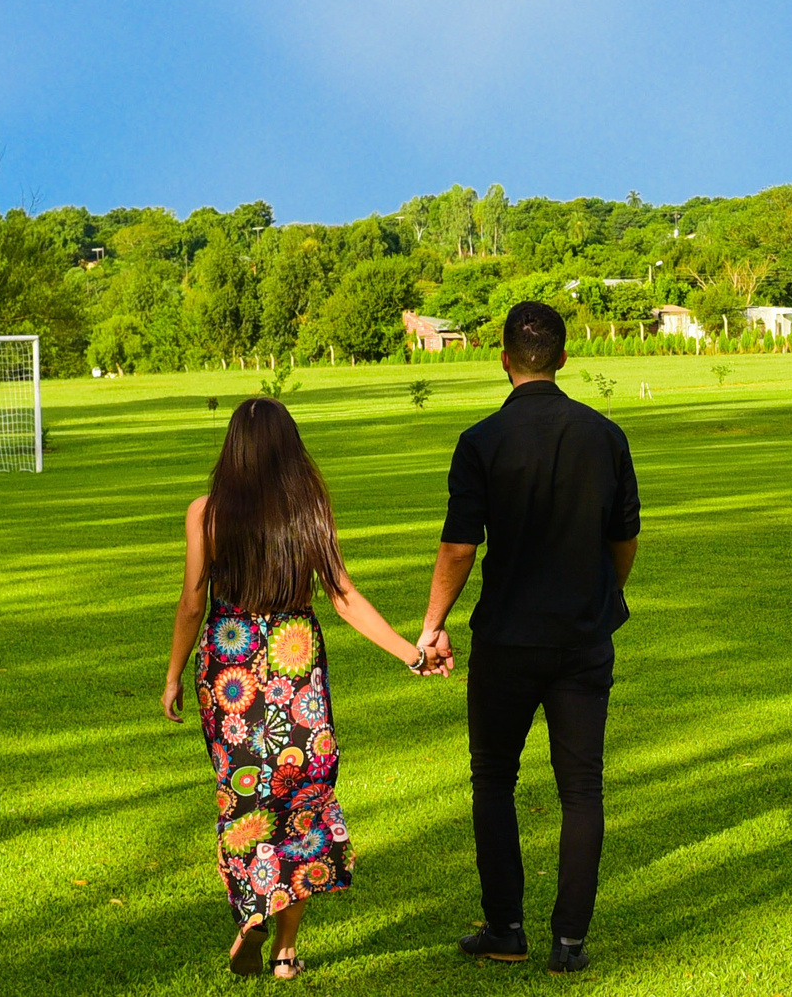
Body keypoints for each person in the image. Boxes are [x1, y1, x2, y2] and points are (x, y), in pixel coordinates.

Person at [163, 397, 439, 980]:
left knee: (245, 800)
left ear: (232, 450)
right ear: (291, 450)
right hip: (295, 662)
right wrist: (410, 653)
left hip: (229, 665)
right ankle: (286, 953)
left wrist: (171, 676)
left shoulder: (206, 514)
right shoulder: (308, 509)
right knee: (302, 799)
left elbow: (192, 602)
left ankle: (253, 912)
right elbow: (342, 595)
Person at [415, 300, 641, 976]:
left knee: (494, 778)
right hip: (582, 634)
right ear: (564, 358)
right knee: (582, 787)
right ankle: (568, 941)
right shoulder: (605, 434)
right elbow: (623, 537)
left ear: (504, 360)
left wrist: (432, 624)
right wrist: (607, 592)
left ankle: (505, 925)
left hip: (507, 637)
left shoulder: (481, 440)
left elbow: (459, 547)